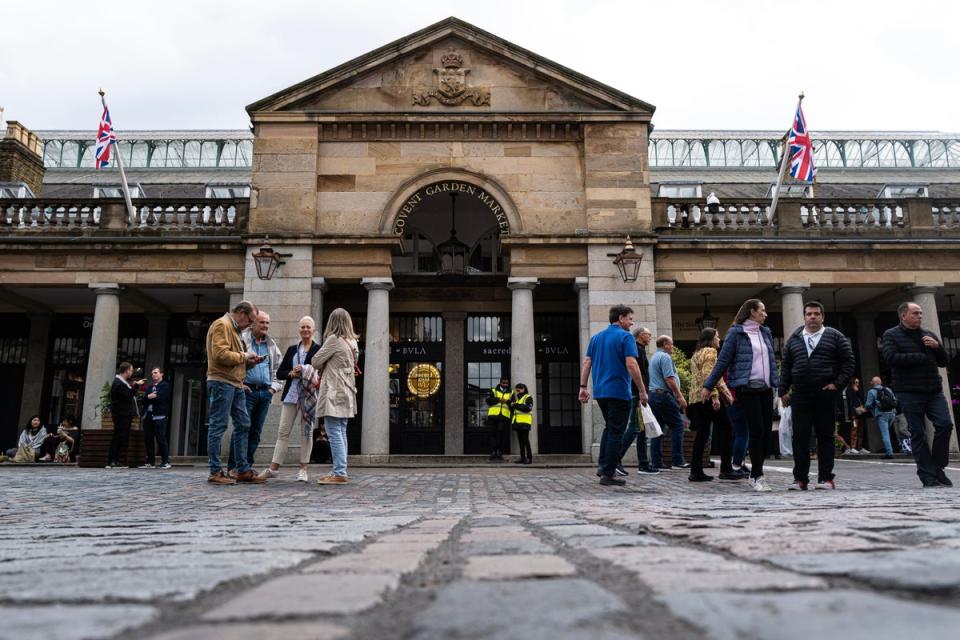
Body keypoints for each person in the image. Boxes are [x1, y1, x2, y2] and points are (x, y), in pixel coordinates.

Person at [703, 298, 778, 492]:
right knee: (756, 431)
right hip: (747, 388)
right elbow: (723, 361)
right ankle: (756, 475)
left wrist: (779, 384)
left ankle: (758, 472)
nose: (765, 314)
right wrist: (708, 385)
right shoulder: (736, 333)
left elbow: (771, 360)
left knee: (765, 433)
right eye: (762, 310)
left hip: (767, 388)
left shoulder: (766, 332)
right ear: (752, 311)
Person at [778, 301, 855, 490]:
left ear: (822, 316)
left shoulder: (835, 336)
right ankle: (800, 479)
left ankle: (826, 478)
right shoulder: (794, 338)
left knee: (826, 436)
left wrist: (836, 384)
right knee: (800, 437)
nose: (813, 317)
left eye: (816, 314)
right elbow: (786, 366)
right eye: (809, 314)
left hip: (825, 393)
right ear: (804, 316)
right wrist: (782, 390)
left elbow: (848, 363)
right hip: (800, 394)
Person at [881, 301, 953, 488]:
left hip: (933, 391)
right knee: (918, 433)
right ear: (903, 316)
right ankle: (927, 475)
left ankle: (938, 467)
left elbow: (944, 362)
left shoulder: (929, 335)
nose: (920, 316)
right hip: (909, 392)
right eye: (915, 313)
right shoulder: (891, 335)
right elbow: (891, 358)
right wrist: (921, 357)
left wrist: (937, 347)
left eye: (921, 313)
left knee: (945, 425)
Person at [579, 304, 648, 487]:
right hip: (618, 391)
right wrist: (641, 390)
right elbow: (632, 364)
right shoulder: (626, 337)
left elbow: (587, 362)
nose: (632, 323)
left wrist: (583, 387)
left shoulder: (596, 338)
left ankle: (603, 467)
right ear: (620, 318)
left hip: (601, 392)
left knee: (610, 428)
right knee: (617, 431)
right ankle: (608, 474)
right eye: (630, 319)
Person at [205, 300, 265, 485]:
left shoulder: (236, 330)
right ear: (240, 312)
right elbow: (220, 355)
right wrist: (244, 356)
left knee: (244, 424)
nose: (251, 324)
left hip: (236, 383)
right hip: (222, 381)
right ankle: (215, 471)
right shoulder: (222, 325)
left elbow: (235, 359)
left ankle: (242, 469)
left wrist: (251, 361)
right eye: (250, 319)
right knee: (218, 425)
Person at [260, 316, 321, 482]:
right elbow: (280, 373)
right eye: (302, 327)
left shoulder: (318, 349)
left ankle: (303, 469)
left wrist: (306, 370)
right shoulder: (292, 349)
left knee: (306, 433)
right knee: (282, 432)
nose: (305, 330)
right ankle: (274, 468)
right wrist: (290, 373)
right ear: (299, 330)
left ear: (313, 330)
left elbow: (321, 371)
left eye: (308, 327)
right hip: (291, 395)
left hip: (308, 396)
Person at [229, 311, 283, 477]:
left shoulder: (271, 345)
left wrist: (272, 389)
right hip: (247, 392)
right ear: (253, 323)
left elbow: (278, 370)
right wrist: (240, 384)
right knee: (242, 429)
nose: (265, 326)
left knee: (256, 432)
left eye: (267, 323)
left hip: (264, 393)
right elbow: (232, 362)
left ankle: (247, 467)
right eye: (262, 322)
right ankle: (234, 467)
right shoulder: (242, 340)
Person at [313, 308, 360, 485]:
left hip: (334, 390)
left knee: (333, 432)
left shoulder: (334, 340)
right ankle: (340, 469)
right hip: (347, 390)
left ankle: (339, 471)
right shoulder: (353, 342)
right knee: (341, 431)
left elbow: (315, 361)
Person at [687, 328, 741, 481]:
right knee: (726, 429)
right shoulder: (710, 352)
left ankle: (695, 471)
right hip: (709, 398)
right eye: (717, 337)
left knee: (702, 434)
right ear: (710, 339)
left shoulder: (696, 353)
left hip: (696, 399)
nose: (719, 339)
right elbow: (710, 376)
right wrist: (716, 397)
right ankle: (726, 469)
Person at [615, 326, 659, 476]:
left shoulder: (639, 349)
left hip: (638, 394)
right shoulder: (637, 350)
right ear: (641, 335)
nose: (650, 337)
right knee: (635, 427)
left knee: (640, 429)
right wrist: (642, 392)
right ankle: (616, 459)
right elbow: (637, 372)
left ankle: (643, 463)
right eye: (649, 334)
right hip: (636, 395)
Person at [648, 335, 688, 470]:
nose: (673, 347)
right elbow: (669, 379)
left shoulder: (653, 357)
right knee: (678, 426)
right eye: (671, 344)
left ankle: (657, 462)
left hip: (653, 396)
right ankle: (677, 461)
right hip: (663, 396)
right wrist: (680, 396)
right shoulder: (665, 357)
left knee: (658, 429)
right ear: (665, 344)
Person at [106, 362, 144, 469]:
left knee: (122, 437)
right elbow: (127, 396)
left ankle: (117, 460)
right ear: (126, 370)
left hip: (124, 414)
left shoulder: (123, 382)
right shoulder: (118, 383)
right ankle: (112, 461)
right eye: (131, 370)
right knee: (119, 436)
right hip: (121, 414)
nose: (132, 372)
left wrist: (134, 386)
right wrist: (136, 386)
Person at [139, 367, 172, 469]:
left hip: (159, 416)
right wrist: (149, 397)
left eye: (156, 373)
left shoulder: (165, 386)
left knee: (161, 438)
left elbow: (161, 398)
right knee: (148, 439)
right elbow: (143, 400)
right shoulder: (150, 387)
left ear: (161, 374)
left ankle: (165, 462)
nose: (153, 375)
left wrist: (150, 398)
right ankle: (150, 461)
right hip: (148, 416)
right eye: (152, 373)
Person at [865, 376, 897, 459]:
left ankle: (889, 453)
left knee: (885, 434)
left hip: (882, 414)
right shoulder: (888, 389)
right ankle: (892, 448)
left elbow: (868, 405)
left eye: (871, 381)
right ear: (880, 382)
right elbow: (894, 400)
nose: (870, 382)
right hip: (892, 413)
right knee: (888, 432)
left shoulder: (871, 391)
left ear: (874, 383)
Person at [485, 376, 512, 460]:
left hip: (504, 416)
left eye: (506, 383)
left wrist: (507, 401)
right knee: (493, 434)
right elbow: (488, 400)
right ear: (500, 382)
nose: (505, 385)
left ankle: (499, 451)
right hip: (493, 415)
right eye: (503, 383)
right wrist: (499, 399)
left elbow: (513, 404)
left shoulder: (511, 392)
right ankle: (493, 451)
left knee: (501, 434)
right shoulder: (493, 390)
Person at [840, 378, 868, 454]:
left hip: (861, 413)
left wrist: (858, 391)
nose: (857, 383)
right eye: (856, 382)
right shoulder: (849, 390)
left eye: (858, 382)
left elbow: (863, 398)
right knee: (854, 431)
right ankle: (853, 447)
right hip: (854, 413)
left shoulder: (857, 390)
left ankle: (859, 447)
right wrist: (852, 414)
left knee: (861, 431)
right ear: (852, 382)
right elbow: (850, 403)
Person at [511, 382, 534, 464]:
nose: (518, 391)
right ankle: (523, 458)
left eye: (520, 389)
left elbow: (528, 408)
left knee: (525, 441)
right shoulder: (518, 399)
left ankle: (529, 458)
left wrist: (515, 405)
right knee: (521, 441)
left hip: (525, 422)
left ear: (524, 389)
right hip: (518, 423)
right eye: (517, 389)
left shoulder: (528, 397)